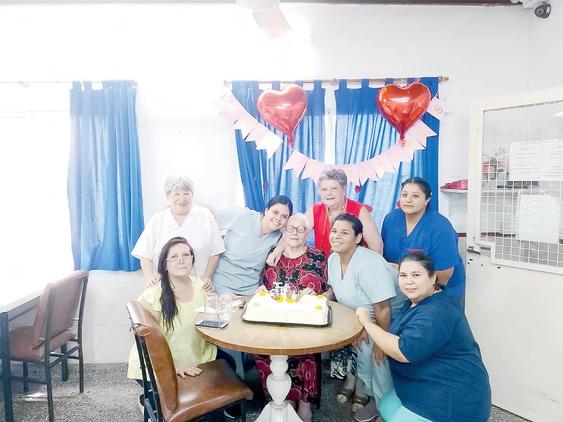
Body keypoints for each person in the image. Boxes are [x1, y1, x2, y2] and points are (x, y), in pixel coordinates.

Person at [356, 253, 491, 422]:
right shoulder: (421, 299)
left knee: (391, 410)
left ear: (433, 277)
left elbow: (402, 352)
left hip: (454, 398)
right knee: (386, 406)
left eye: (416, 275)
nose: (409, 281)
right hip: (426, 382)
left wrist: (367, 323)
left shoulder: (436, 311)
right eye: (403, 275)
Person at [127, 237, 234, 406]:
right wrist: (173, 365)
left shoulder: (201, 285)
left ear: (192, 259)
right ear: (165, 265)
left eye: (186, 255)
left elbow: (212, 317)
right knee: (182, 403)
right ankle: (153, 400)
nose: (181, 260)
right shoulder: (155, 293)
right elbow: (146, 340)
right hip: (160, 361)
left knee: (230, 364)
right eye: (174, 257)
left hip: (195, 353)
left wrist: (224, 300)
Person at [325, 214, 406, 422]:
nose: (336, 236)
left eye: (344, 232)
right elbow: (336, 291)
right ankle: (368, 392)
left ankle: (384, 407)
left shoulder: (369, 264)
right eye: (334, 231)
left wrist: (380, 342)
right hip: (363, 315)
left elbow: (384, 309)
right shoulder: (333, 259)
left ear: (358, 238)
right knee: (358, 344)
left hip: (392, 316)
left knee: (375, 353)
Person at [254, 213, 327, 422]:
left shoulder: (317, 256)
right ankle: (283, 399)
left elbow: (326, 291)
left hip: (305, 324)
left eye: (300, 229)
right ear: (284, 230)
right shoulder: (272, 256)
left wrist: (317, 295)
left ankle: (304, 403)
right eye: (290, 228)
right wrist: (262, 292)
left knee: (306, 354)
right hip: (275, 323)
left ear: (308, 232)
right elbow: (263, 287)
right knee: (265, 351)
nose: (295, 233)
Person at [267, 169, 382, 264]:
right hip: (325, 266)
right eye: (324, 189)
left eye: (334, 188)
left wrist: (372, 269)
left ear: (344, 190)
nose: (328, 193)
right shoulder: (316, 209)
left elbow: (377, 246)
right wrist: (277, 251)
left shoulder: (359, 210)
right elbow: (294, 231)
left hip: (354, 266)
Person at [381, 177, 465, 300]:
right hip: (404, 287)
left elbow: (444, 275)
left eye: (415, 196)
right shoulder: (391, 219)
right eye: (404, 195)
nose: (408, 200)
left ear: (427, 200)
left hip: (438, 289)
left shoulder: (440, 227)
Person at [132, 174, 224, 287]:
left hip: (198, 284)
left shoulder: (205, 215)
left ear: (192, 194)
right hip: (165, 285)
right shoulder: (158, 219)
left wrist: (207, 277)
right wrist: (150, 278)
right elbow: (144, 255)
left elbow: (216, 251)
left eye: (186, 193)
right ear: (168, 196)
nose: (182, 198)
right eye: (176, 194)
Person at [212, 195, 293, 296]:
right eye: (275, 212)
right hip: (222, 286)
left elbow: (301, 226)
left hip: (251, 291)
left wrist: (279, 249)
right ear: (266, 210)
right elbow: (210, 213)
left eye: (284, 216)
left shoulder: (279, 236)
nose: (278, 218)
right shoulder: (242, 215)